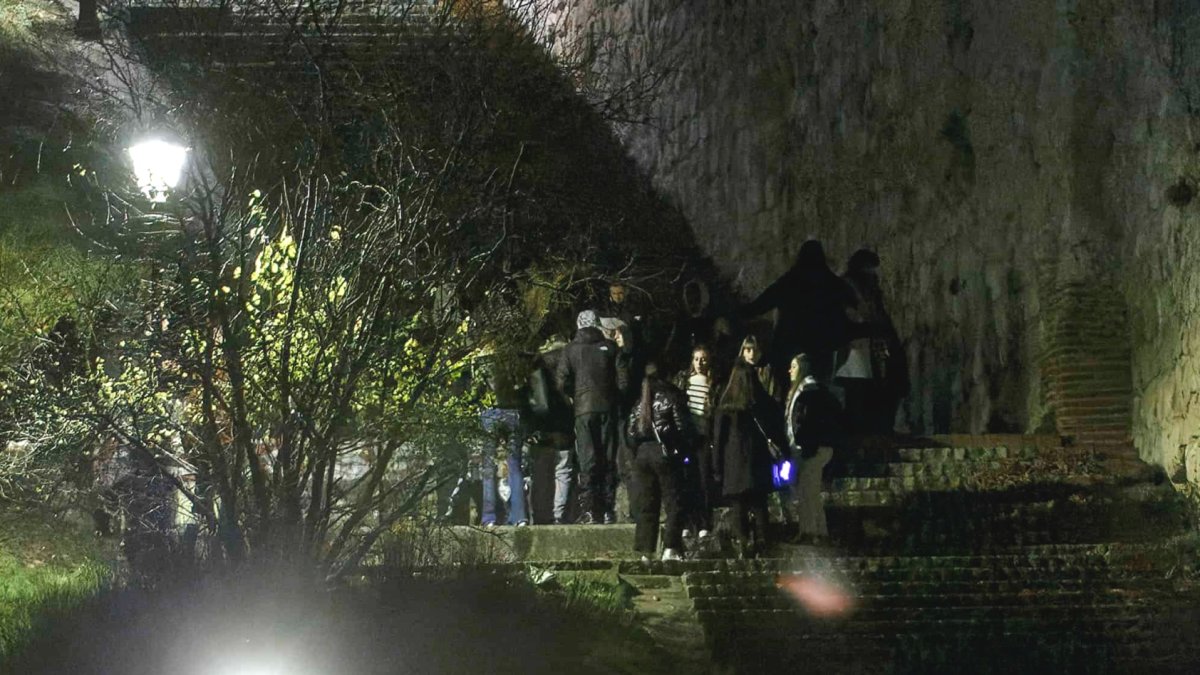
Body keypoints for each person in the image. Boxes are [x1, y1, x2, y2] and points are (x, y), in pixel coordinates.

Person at [733, 240, 862, 382]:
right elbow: (852, 305)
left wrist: (734, 313)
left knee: (787, 386)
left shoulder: (788, 282)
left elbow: (760, 305)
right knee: (818, 385)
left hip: (788, 347)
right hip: (821, 349)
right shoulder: (833, 284)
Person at [556, 309, 629, 524]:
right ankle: (607, 510)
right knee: (607, 457)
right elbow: (623, 381)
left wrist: (575, 396)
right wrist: (613, 397)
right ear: (597, 324)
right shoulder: (611, 348)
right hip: (607, 408)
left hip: (583, 410)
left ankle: (589, 509)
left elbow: (561, 381)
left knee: (588, 460)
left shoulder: (570, 350)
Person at [712, 362, 789, 558]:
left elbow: (719, 440)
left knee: (738, 506)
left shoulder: (727, 407)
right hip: (759, 462)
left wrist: (717, 468)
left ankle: (744, 544)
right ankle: (763, 545)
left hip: (734, 464)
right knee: (760, 505)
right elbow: (777, 432)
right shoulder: (765, 404)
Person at [836, 249, 909, 434]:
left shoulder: (868, 289)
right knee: (859, 393)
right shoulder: (848, 288)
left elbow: (878, 317)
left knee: (877, 388)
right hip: (856, 350)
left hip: (871, 347)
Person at [626, 363, 693, 561]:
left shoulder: (640, 402)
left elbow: (630, 433)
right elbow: (682, 427)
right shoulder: (671, 397)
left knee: (647, 505)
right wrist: (682, 450)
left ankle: (645, 551)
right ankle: (671, 547)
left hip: (642, 454)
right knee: (673, 501)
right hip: (664, 451)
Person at [787, 353, 845, 543]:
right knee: (809, 490)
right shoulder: (810, 390)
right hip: (814, 447)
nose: (790, 371)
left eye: (794, 367)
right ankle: (818, 530)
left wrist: (804, 444)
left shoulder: (808, 391)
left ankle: (810, 531)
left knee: (808, 491)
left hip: (812, 448)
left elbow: (804, 423)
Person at [478, 348, 532, 527]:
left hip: (490, 412)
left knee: (488, 467)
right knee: (515, 465)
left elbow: (475, 393)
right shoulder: (514, 362)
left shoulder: (482, 361)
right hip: (512, 412)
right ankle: (519, 517)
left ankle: (489, 517)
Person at [529, 337, 576, 524]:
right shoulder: (570, 362)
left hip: (543, 425)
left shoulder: (538, 364)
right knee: (563, 470)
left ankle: (541, 513)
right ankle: (559, 513)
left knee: (542, 472)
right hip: (565, 423)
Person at [674, 344, 718, 537]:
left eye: (703, 359)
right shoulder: (685, 382)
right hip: (687, 437)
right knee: (686, 480)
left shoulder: (712, 384)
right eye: (697, 359)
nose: (700, 363)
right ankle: (687, 523)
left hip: (704, 436)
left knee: (703, 481)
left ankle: (704, 523)